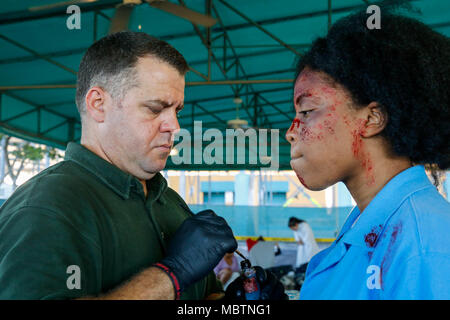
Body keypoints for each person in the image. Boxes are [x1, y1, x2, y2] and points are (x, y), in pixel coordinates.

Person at [0, 31, 241, 300]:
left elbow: (204, 296)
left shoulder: (170, 201)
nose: (174, 126)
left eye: (177, 111)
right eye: (154, 108)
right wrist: (171, 275)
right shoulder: (47, 207)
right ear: (98, 104)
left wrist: (240, 303)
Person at [285, 5, 450, 299]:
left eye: (307, 111)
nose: (291, 131)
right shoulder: (368, 225)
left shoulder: (425, 248)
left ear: (372, 119)